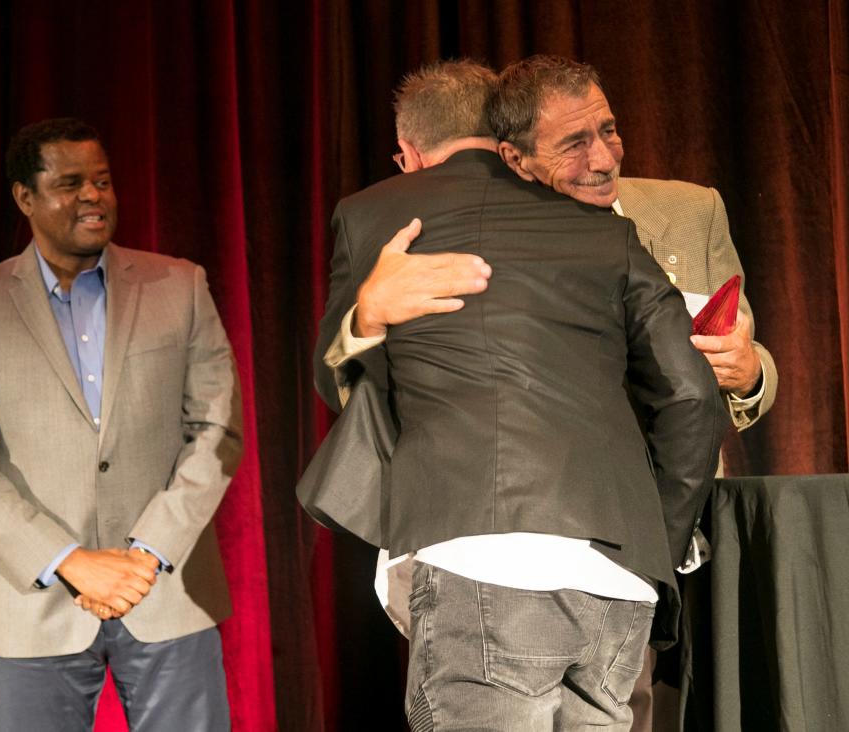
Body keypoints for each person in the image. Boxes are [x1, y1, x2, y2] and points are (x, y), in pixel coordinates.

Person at [308, 60, 729, 730]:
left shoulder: (375, 215)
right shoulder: (604, 230)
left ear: (409, 154)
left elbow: (338, 381)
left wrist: (365, 318)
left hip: (478, 559)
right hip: (618, 578)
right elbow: (692, 398)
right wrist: (658, 537)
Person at [0, 117, 241, 732]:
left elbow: (217, 428)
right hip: (33, 605)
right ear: (25, 197)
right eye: (70, 183)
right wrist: (70, 559)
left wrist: (147, 553)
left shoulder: (179, 285)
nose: (94, 196)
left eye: (102, 180)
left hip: (167, 594)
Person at [489, 55, 777, 731]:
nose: (604, 156)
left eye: (610, 130)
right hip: (548, 529)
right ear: (516, 157)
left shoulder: (689, 210)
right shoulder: (491, 236)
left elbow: (749, 354)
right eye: (575, 143)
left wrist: (749, 372)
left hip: (677, 525)